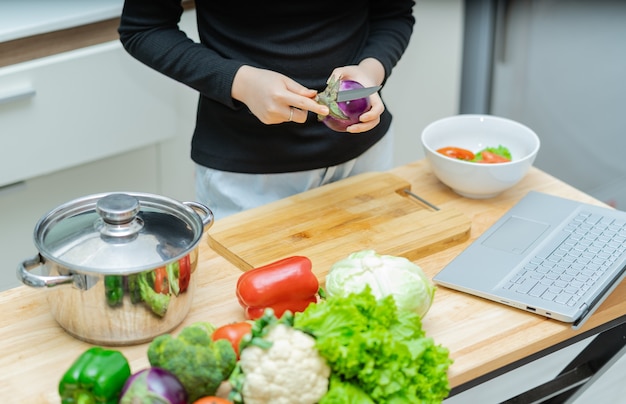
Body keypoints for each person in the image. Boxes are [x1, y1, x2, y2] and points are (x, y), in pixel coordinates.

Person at [118, 0, 416, 220]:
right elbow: (143, 28)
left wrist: (371, 71)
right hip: (248, 176)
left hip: (365, 159)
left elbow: (393, 13)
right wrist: (240, 82)